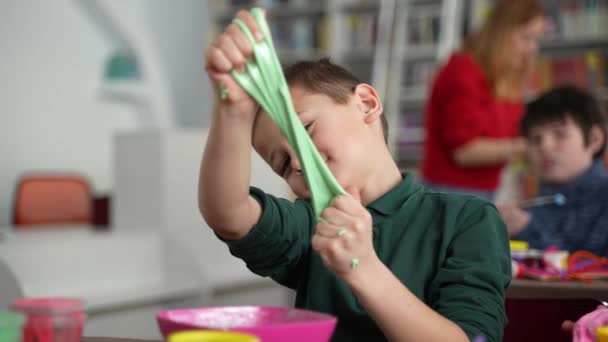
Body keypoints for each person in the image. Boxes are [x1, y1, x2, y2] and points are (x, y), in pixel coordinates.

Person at [199, 10, 511, 342]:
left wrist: (362, 267)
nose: (299, 164)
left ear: (365, 103)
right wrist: (233, 112)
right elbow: (228, 213)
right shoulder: (313, 225)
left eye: (306, 129)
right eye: (284, 166)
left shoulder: (468, 220)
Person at [421, 0, 547, 199]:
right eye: (526, 37)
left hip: (485, 189)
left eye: (536, 40)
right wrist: (529, 146)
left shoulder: (505, 77)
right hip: (451, 192)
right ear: (501, 34)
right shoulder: (463, 70)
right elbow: (464, 152)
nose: (532, 48)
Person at [498, 86, 608, 256]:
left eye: (560, 134)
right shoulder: (534, 205)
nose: (545, 146)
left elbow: (593, 268)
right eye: (536, 138)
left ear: (595, 139)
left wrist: (528, 230)